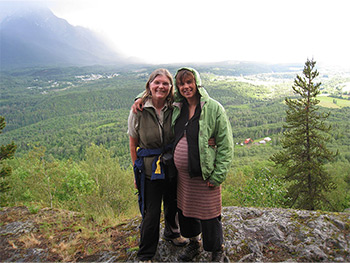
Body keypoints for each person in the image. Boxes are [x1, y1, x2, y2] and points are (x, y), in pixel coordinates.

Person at [172, 67, 233, 262]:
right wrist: (137, 99)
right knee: (186, 212)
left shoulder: (213, 108)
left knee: (210, 215)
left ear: (197, 83)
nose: (186, 87)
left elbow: (225, 145)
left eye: (189, 82)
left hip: (205, 175)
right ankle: (194, 244)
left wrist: (218, 175)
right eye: (181, 84)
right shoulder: (178, 107)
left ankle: (217, 250)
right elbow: (154, 92)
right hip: (183, 177)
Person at [127, 68, 188, 262]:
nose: (161, 86)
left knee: (173, 203)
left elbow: (193, 94)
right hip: (149, 168)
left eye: (165, 84)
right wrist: (136, 169)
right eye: (157, 83)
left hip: (171, 163)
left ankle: (172, 233)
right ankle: (146, 253)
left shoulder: (175, 107)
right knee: (151, 212)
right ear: (149, 85)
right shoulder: (139, 110)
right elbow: (133, 142)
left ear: (170, 88)